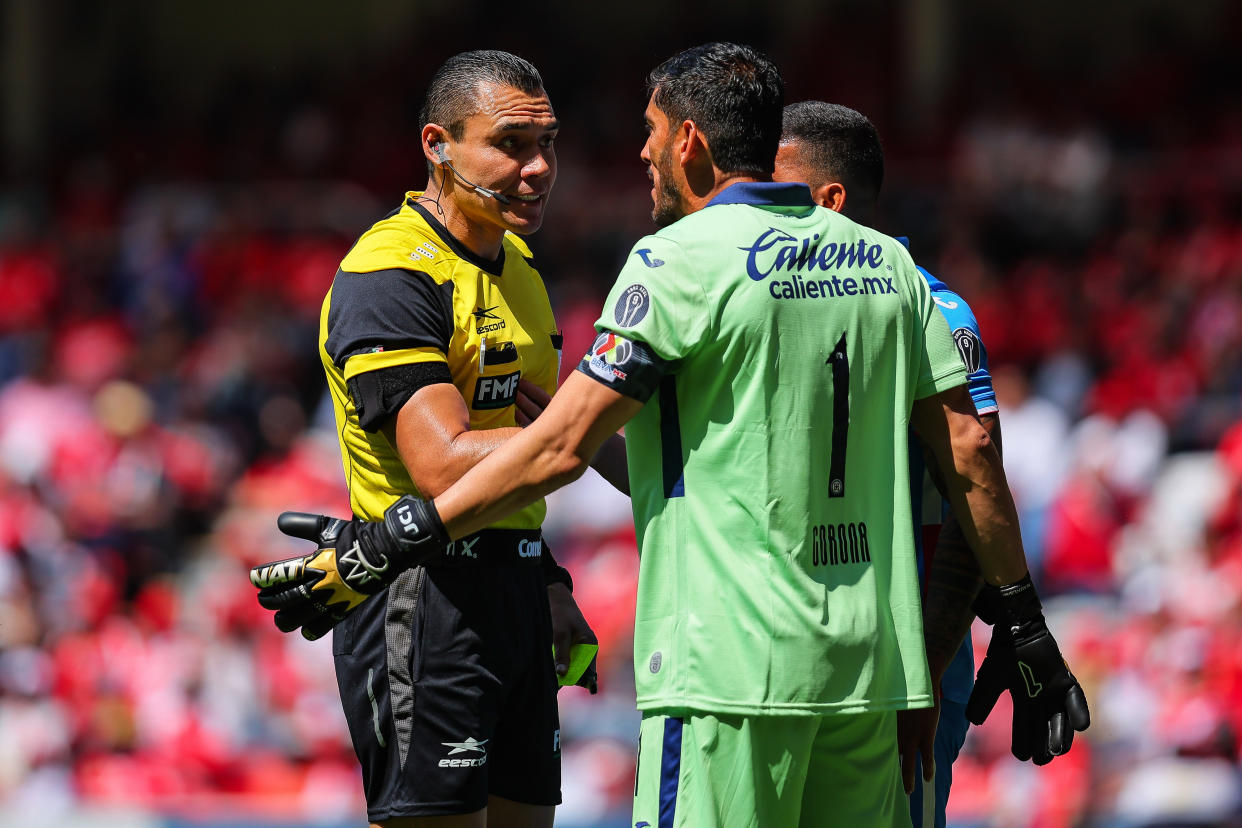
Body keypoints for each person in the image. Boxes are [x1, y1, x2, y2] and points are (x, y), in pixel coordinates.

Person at [252, 42, 1086, 828]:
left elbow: (562, 446)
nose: (637, 158)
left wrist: (391, 541)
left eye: (649, 137)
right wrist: (1023, 620)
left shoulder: (673, 261)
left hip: (729, 672)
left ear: (690, 142)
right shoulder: (888, 265)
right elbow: (971, 452)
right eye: (519, 142)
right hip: (870, 672)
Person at [251, 50, 603, 828]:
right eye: (510, 145)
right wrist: (571, 435)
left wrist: (542, 576)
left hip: (511, 593)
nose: (540, 168)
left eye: (548, 144)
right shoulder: (389, 273)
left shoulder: (520, 267)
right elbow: (444, 462)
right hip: (423, 597)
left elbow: (519, 433)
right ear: (437, 145)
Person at [771, 101, 1060, 828]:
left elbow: (974, 483)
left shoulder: (932, 309)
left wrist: (925, 672)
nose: (753, 207)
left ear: (828, 199)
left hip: (901, 669)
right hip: (793, 652)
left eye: (773, 186)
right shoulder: (771, 306)